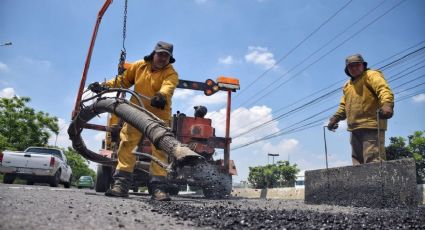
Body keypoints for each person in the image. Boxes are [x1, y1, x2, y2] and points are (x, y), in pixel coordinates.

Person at [88, 41, 179, 201]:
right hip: (136, 112)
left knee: (160, 149)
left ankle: (158, 189)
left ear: (169, 59)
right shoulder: (139, 66)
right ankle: (121, 185)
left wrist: (161, 95)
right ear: (154, 53)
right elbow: (122, 81)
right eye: (160, 54)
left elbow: (169, 86)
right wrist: (104, 86)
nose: (163, 58)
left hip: (159, 116)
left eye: (166, 56)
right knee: (127, 143)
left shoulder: (171, 72)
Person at [327, 54, 394, 165]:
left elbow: (383, 90)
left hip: (372, 125)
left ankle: (377, 182)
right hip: (354, 128)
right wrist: (335, 118)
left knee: (373, 160)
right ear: (347, 70)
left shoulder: (371, 75)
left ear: (363, 65)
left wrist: (387, 104)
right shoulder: (347, 85)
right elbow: (343, 106)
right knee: (357, 162)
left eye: (357, 65)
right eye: (350, 66)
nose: (354, 68)